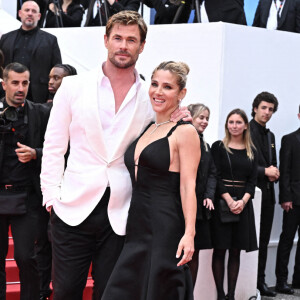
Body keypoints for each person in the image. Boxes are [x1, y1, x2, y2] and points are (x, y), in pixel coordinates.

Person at [40, 11, 190, 300]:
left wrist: (180, 115)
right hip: (71, 208)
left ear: (142, 46)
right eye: (118, 38)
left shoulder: (150, 95)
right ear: (106, 40)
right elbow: (54, 146)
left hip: (123, 213)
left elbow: (167, 128)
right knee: (65, 292)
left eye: (131, 40)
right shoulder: (73, 86)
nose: (123, 45)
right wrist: (51, 196)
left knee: (112, 294)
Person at [101, 61, 200, 300]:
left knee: (158, 290)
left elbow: (188, 187)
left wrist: (189, 233)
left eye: (167, 87)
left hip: (164, 225)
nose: (158, 91)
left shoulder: (185, 132)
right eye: (155, 84)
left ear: (181, 93)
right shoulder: (148, 126)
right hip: (136, 223)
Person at [0, 62, 51, 300]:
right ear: (4, 84)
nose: (21, 88)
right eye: (15, 83)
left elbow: (61, 148)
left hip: (28, 197)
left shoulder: (41, 113)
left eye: (25, 83)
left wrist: (36, 153)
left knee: (26, 256)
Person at [211, 109, 258, 300]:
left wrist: (243, 201)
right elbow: (215, 176)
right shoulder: (218, 147)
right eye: (231, 122)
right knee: (220, 250)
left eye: (238, 122)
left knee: (236, 251)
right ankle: (220, 295)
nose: (234, 126)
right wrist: (229, 200)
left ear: (246, 125)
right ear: (226, 125)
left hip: (243, 205)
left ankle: (231, 295)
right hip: (223, 202)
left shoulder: (252, 151)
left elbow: (252, 180)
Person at [0, 1, 62, 103]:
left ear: (39, 16)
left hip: (39, 96)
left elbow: (57, 69)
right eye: (27, 10)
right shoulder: (6, 38)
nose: (30, 13)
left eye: (33, 11)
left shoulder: (50, 40)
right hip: (8, 95)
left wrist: (52, 96)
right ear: (20, 13)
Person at [249, 92, 279, 297]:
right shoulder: (244, 130)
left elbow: (273, 163)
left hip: (268, 196)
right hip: (250, 196)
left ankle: (260, 282)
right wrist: (264, 171)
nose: (267, 112)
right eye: (264, 108)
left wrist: (274, 172)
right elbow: (243, 163)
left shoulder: (271, 136)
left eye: (270, 109)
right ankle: (249, 283)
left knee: (264, 241)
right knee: (250, 242)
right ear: (255, 109)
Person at [187, 103, 217, 286]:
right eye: (201, 117)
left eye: (207, 118)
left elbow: (212, 173)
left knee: (195, 252)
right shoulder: (181, 139)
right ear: (191, 117)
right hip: (182, 208)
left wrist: (209, 195)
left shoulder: (206, 145)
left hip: (200, 211)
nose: (205, 121)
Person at [274, 106, 300, 295]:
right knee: (286, 240)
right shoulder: (289, 139)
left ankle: (298, 279)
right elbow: (285, 172)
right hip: (293, 200)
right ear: (299, 115)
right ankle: (281, 280)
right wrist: (285, 197)